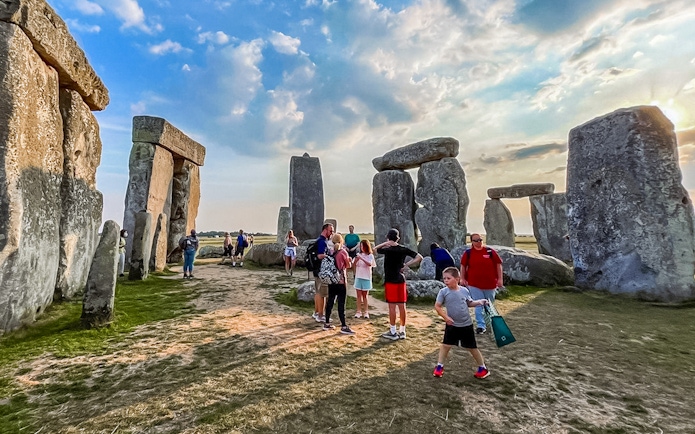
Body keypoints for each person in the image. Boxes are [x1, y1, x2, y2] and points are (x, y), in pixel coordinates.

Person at [433, 267, 491, 379]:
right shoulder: (443, 292)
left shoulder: (464, 290)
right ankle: (439, 367)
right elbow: (437, 306)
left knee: (472, 348)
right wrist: (446, 317)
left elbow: (469, 303)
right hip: (452, 325)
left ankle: (482, 368)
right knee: (445, 346)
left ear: (457, 279)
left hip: (466, 325)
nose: (445, 280)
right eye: (444, 278)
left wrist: (480, 302)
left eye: (448, 278)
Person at [375, 228, 423, 340]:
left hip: (390, 280)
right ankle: (402, 331)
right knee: (402, 306)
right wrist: (406, 265)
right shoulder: (403, 249)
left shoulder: (387, 250)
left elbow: (374, 249)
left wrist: (386, 243)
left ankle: (393, 331)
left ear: (388, 237)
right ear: (398, 238)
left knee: (392, 307)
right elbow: (419, 257)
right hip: (400, 279)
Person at [460, 233, 503, 334]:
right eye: (476, 240)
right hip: (474, 283)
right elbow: (463, 266)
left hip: (490, 283)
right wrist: (462, 278)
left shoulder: (490, 252)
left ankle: (491, 323)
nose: (479, 242)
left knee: (489, 304)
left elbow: (498, 264)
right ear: (472, 242)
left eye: (480, 239)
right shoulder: (468, 253)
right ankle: (481, 325)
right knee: (479, 304)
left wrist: (500, 279)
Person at [323, 233, 355, 335]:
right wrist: (350, 261)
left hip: (332, 280)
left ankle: (327, 323)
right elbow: (348, 266)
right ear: (342, 241)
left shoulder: (330, 252)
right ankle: (344, 326)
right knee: (341, 304)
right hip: (341, 281)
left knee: (330, 301)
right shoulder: (343, 252)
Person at [312, 223, 334, 323]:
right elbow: (320, 255)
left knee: (317, 291)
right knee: (323, 294)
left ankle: (316, 312)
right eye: (330, 231)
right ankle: (321, 315)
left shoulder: (318, 240)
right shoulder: (322, 242)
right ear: (325, 230)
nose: (332, 233)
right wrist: (329, 255)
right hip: (322, 270)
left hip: (317, 270)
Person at [353, 239, 375, 319]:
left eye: (362, 246)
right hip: (359, 277)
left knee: (365, 295)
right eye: (360, 246)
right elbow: (353, 264)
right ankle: (358, 311)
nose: (361, 248)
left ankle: (366, 311)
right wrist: (356, 260)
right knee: (358, 295)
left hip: (366, 277)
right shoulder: (358, 255)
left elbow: (369, 264)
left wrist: (361, 258)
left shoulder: (370, 256)